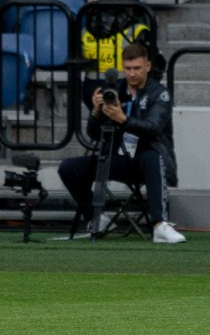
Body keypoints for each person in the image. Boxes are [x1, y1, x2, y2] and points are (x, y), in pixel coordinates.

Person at [56, 40, 185, 244]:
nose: (132, 73)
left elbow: (152, 129)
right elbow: (94, 133)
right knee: (68, 168)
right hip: (118, 157)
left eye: (137, 68)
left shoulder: (159, 94)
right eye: (127, 69)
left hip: (148, 157)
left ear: (148, 67)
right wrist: (96, 112)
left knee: (152, 158)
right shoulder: (115, 91)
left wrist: (123, 119)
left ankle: (160, 224)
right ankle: (96, 218)